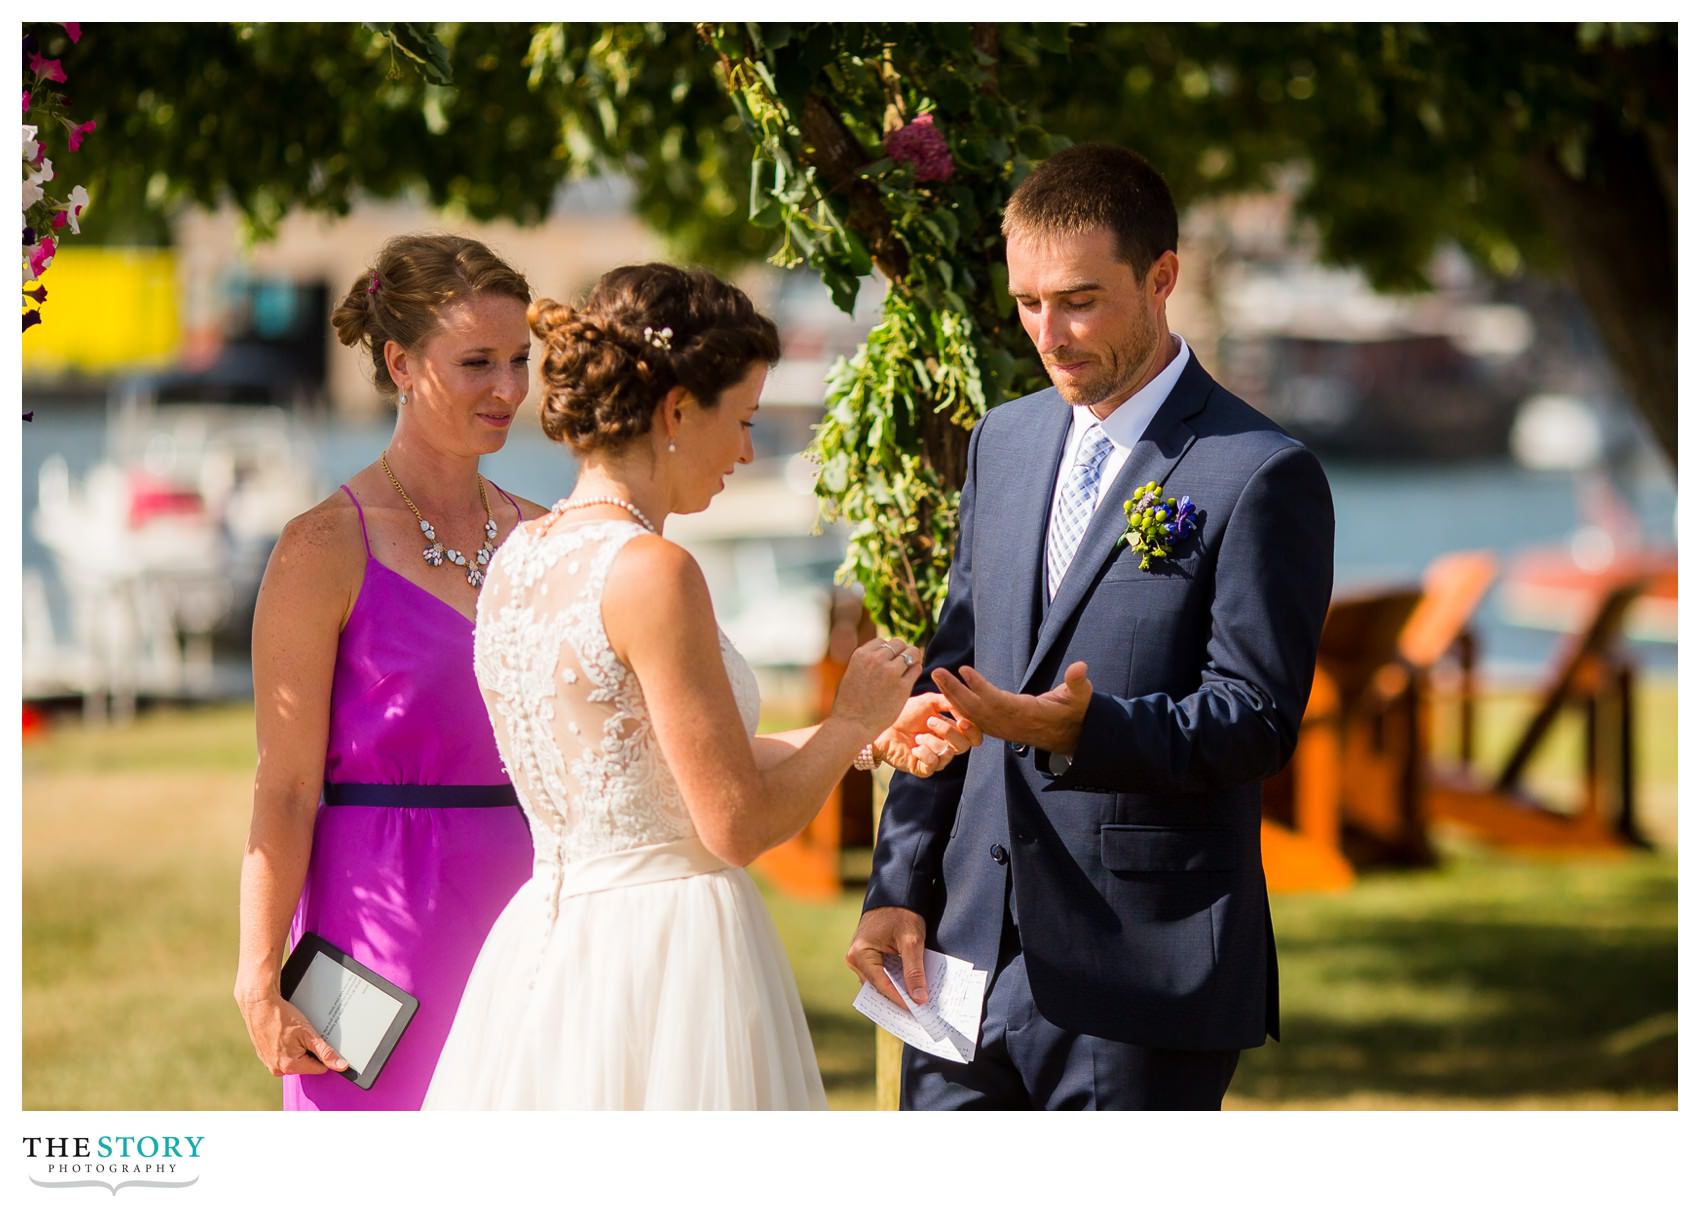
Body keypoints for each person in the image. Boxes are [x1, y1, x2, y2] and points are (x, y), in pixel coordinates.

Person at [846, 144, 1336, 1110]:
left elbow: (1254, 719)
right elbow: (945, 689)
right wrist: (897, 886)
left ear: (1162, 279)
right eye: (1028, 303)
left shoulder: (1259, 472)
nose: (1048, 333)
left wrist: (1085, 731)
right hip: (959, 958)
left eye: (1077, 300)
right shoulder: (1005, 439)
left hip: (1136, 968)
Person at [422, 263, 980, 1110]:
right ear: (677, 411)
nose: (749, 450)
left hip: (553, 952)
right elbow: (736, 825)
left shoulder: (517, 560)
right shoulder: (653, 571)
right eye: (745, 420)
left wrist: (870, 738)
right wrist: (848, 717)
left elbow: (663, 768)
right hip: (666, 959)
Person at [234, 233, 545, 1110]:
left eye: (521, 359)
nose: (510, 389)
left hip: (535, 921)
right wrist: (258, 974)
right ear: (401, 362)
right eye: (479, 361)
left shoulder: (547, 536)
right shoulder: (321, 548)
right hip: (371, 933)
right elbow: (284, 789)